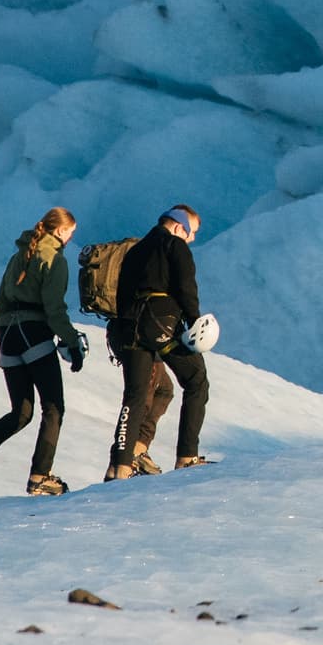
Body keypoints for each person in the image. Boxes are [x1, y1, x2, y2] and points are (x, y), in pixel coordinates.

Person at [0, 206, 88, 495]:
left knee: (22, 411)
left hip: (9, 336)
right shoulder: (54, 259)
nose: (70, 239)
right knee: (53, 407)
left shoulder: (20, 256)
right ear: (60, 231)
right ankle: (40, 476)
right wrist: (70, 342)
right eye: (70, 233)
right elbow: (54, 309)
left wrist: (6, 332)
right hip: (34, 333)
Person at [114, 203, 213, 475]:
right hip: (162, 327)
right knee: (197, 381)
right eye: (192, 232)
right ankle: (187, 457)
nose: (191, 239)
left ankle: (119, 465)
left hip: (131, 328)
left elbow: (121, 295)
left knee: (134, 395)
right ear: (180, 225)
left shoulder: (135, 250)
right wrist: (194, 321)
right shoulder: (175, 246)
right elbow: (185, 288)